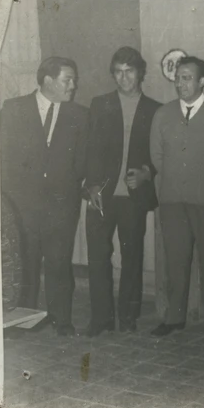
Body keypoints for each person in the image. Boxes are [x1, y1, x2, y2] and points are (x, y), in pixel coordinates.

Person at [0, 56, 89, 336]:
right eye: (67, 79)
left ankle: (61, 319)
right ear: (48, 81)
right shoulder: (14, 109)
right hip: (23, 205)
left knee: (60, 262)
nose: (73, 86)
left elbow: (82, 161)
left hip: (62, 205)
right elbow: (3, 156)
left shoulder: (79, 115)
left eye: (73, 80)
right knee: (25, 262)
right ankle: (24, 318)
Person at [149, 56, 204, 339]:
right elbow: (157, 156)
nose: (180, 83)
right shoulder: (163, 114)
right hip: (173, 201)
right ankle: (174, 317)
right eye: (177, 78)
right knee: (175, 261)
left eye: (187, 78)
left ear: (202, 81)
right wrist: (177, 181)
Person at [84, 47, 162, 337]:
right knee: (97, 257)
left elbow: (162, 153)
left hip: (133, 198)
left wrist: (147, 173)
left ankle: (128, 316)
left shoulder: (155, 109)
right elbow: (90, 150)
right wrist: (92, 185)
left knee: (132, 258)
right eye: (118, 72)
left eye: (129, 71)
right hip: (101, 196)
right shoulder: (100, 104)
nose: (124, 77)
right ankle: (101, 318)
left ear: (141, 73)